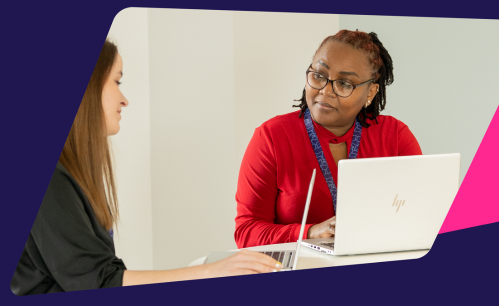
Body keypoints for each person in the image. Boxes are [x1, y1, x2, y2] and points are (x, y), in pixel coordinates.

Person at [10, 40, 281, 296]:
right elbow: (101, 283)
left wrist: (212, 271)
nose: (124, 99)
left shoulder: (69, 174)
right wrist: (210, 272)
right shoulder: (52, 181)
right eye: (117, 81)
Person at [234, 30, 422, 248]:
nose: (325, 90)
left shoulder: (396, 137)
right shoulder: (271, 137)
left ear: (370, 93)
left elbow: (420, 218)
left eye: (344, 83)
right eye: (319, 76)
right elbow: (247, 233)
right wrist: (309, 232)